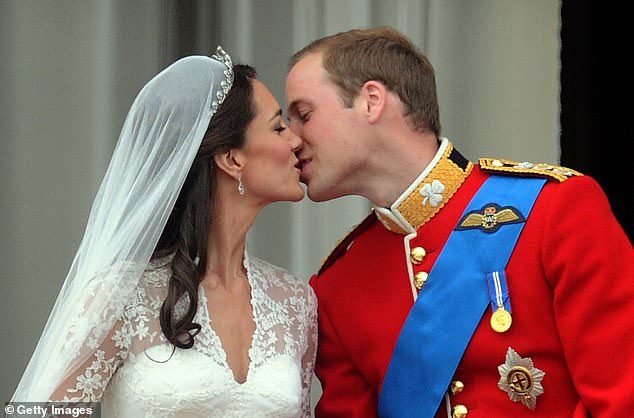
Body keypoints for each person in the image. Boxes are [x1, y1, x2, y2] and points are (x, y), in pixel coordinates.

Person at [285, 27, 634, 418]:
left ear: (371, 101)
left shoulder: (554, 209)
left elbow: (623, 398)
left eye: (304, 115)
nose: (291, 140)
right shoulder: (337, 286)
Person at [11, 47, 317, 417]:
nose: (295, 141)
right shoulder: (121, 296)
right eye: (278, 126)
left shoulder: (296, 302)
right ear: (232, 159)